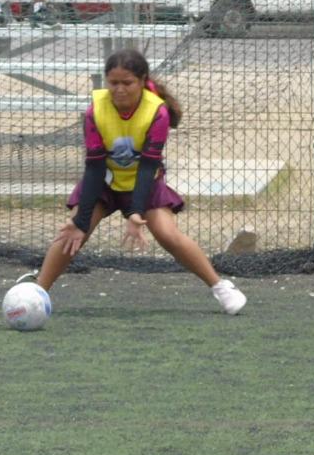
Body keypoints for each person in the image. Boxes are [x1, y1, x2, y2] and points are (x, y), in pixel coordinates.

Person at [30, 48, 247, 316]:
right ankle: (36, 294)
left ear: (142, 81)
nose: (119, 90)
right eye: (113, 83)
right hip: (105, 184)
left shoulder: (157, 112)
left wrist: (135, 211)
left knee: (168, 234)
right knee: (74, 233)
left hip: (145, 183)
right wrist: (81, 220)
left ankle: (221, 287)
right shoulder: (94, 112)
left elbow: (148, 165)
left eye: (127, 83)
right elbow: (94, 167)